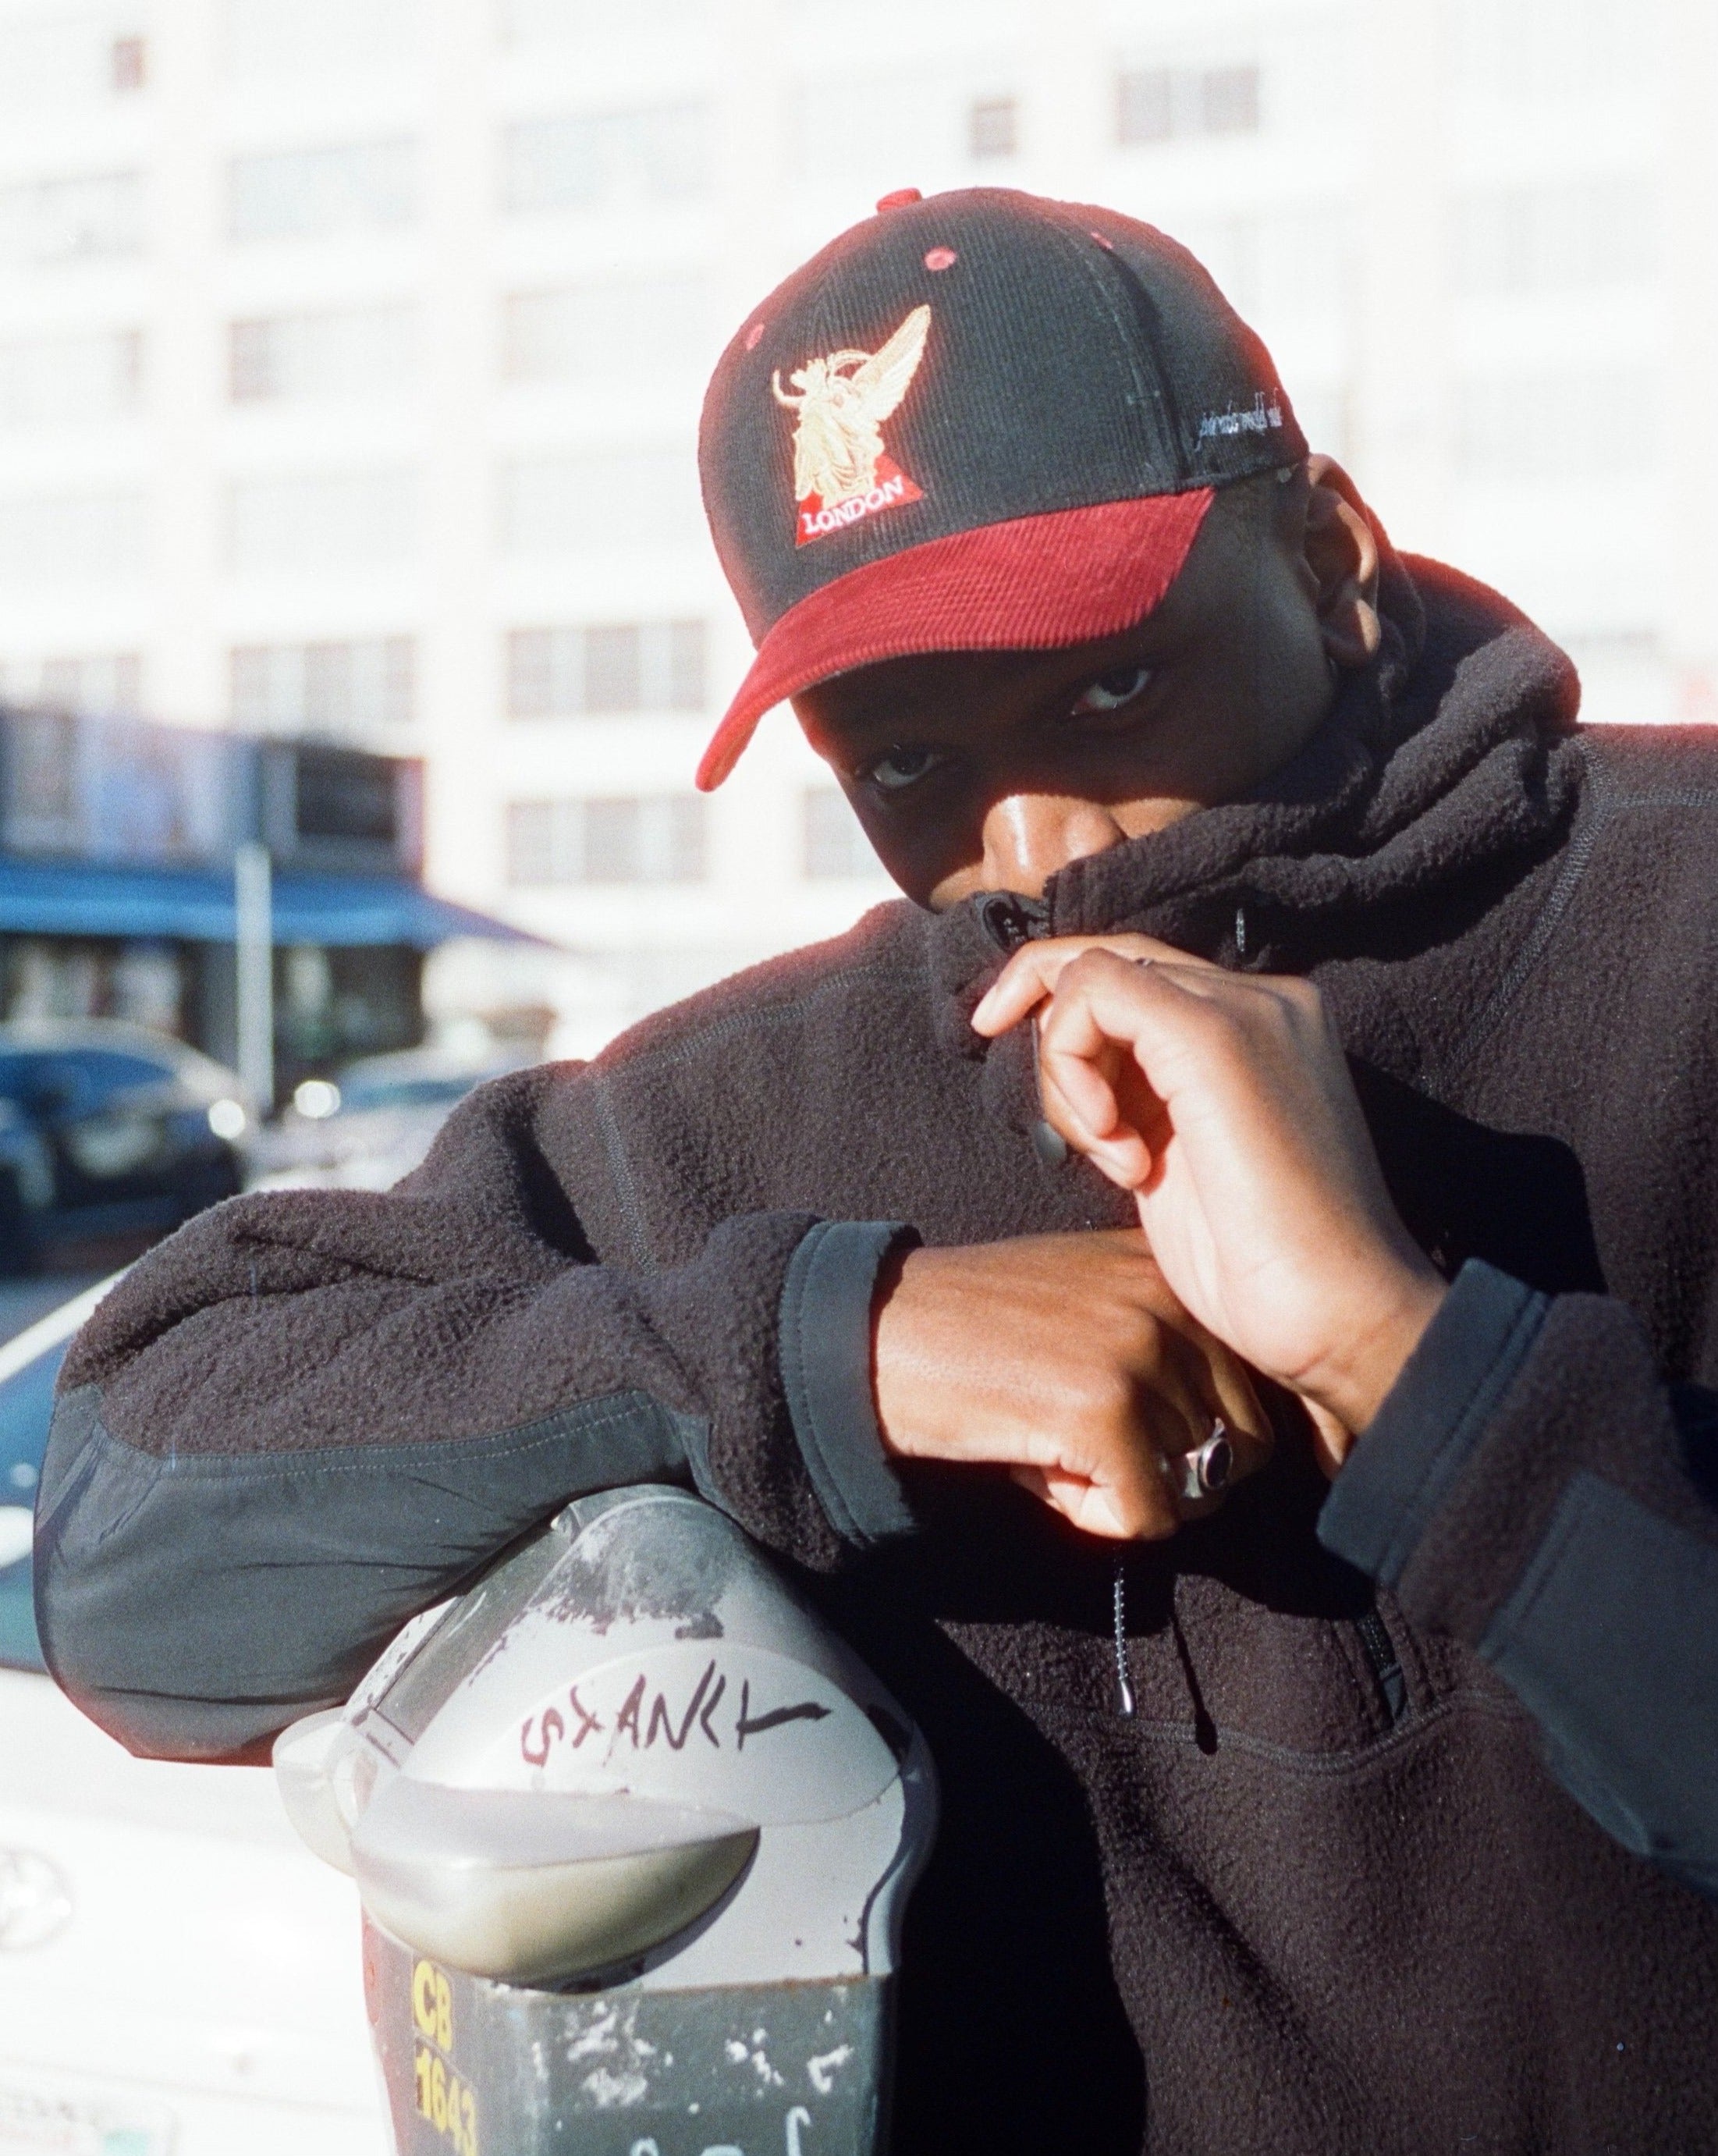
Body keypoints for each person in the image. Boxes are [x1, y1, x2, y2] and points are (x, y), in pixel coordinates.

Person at [33, 189, 1718, 2153]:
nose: (1036, 837)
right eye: (903, 762)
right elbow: (133, 1526)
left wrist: (1395, 1355)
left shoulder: (1679, 940)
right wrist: (837, 1346)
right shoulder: (735, 1119)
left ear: (1332, 551)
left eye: (1111, 684)